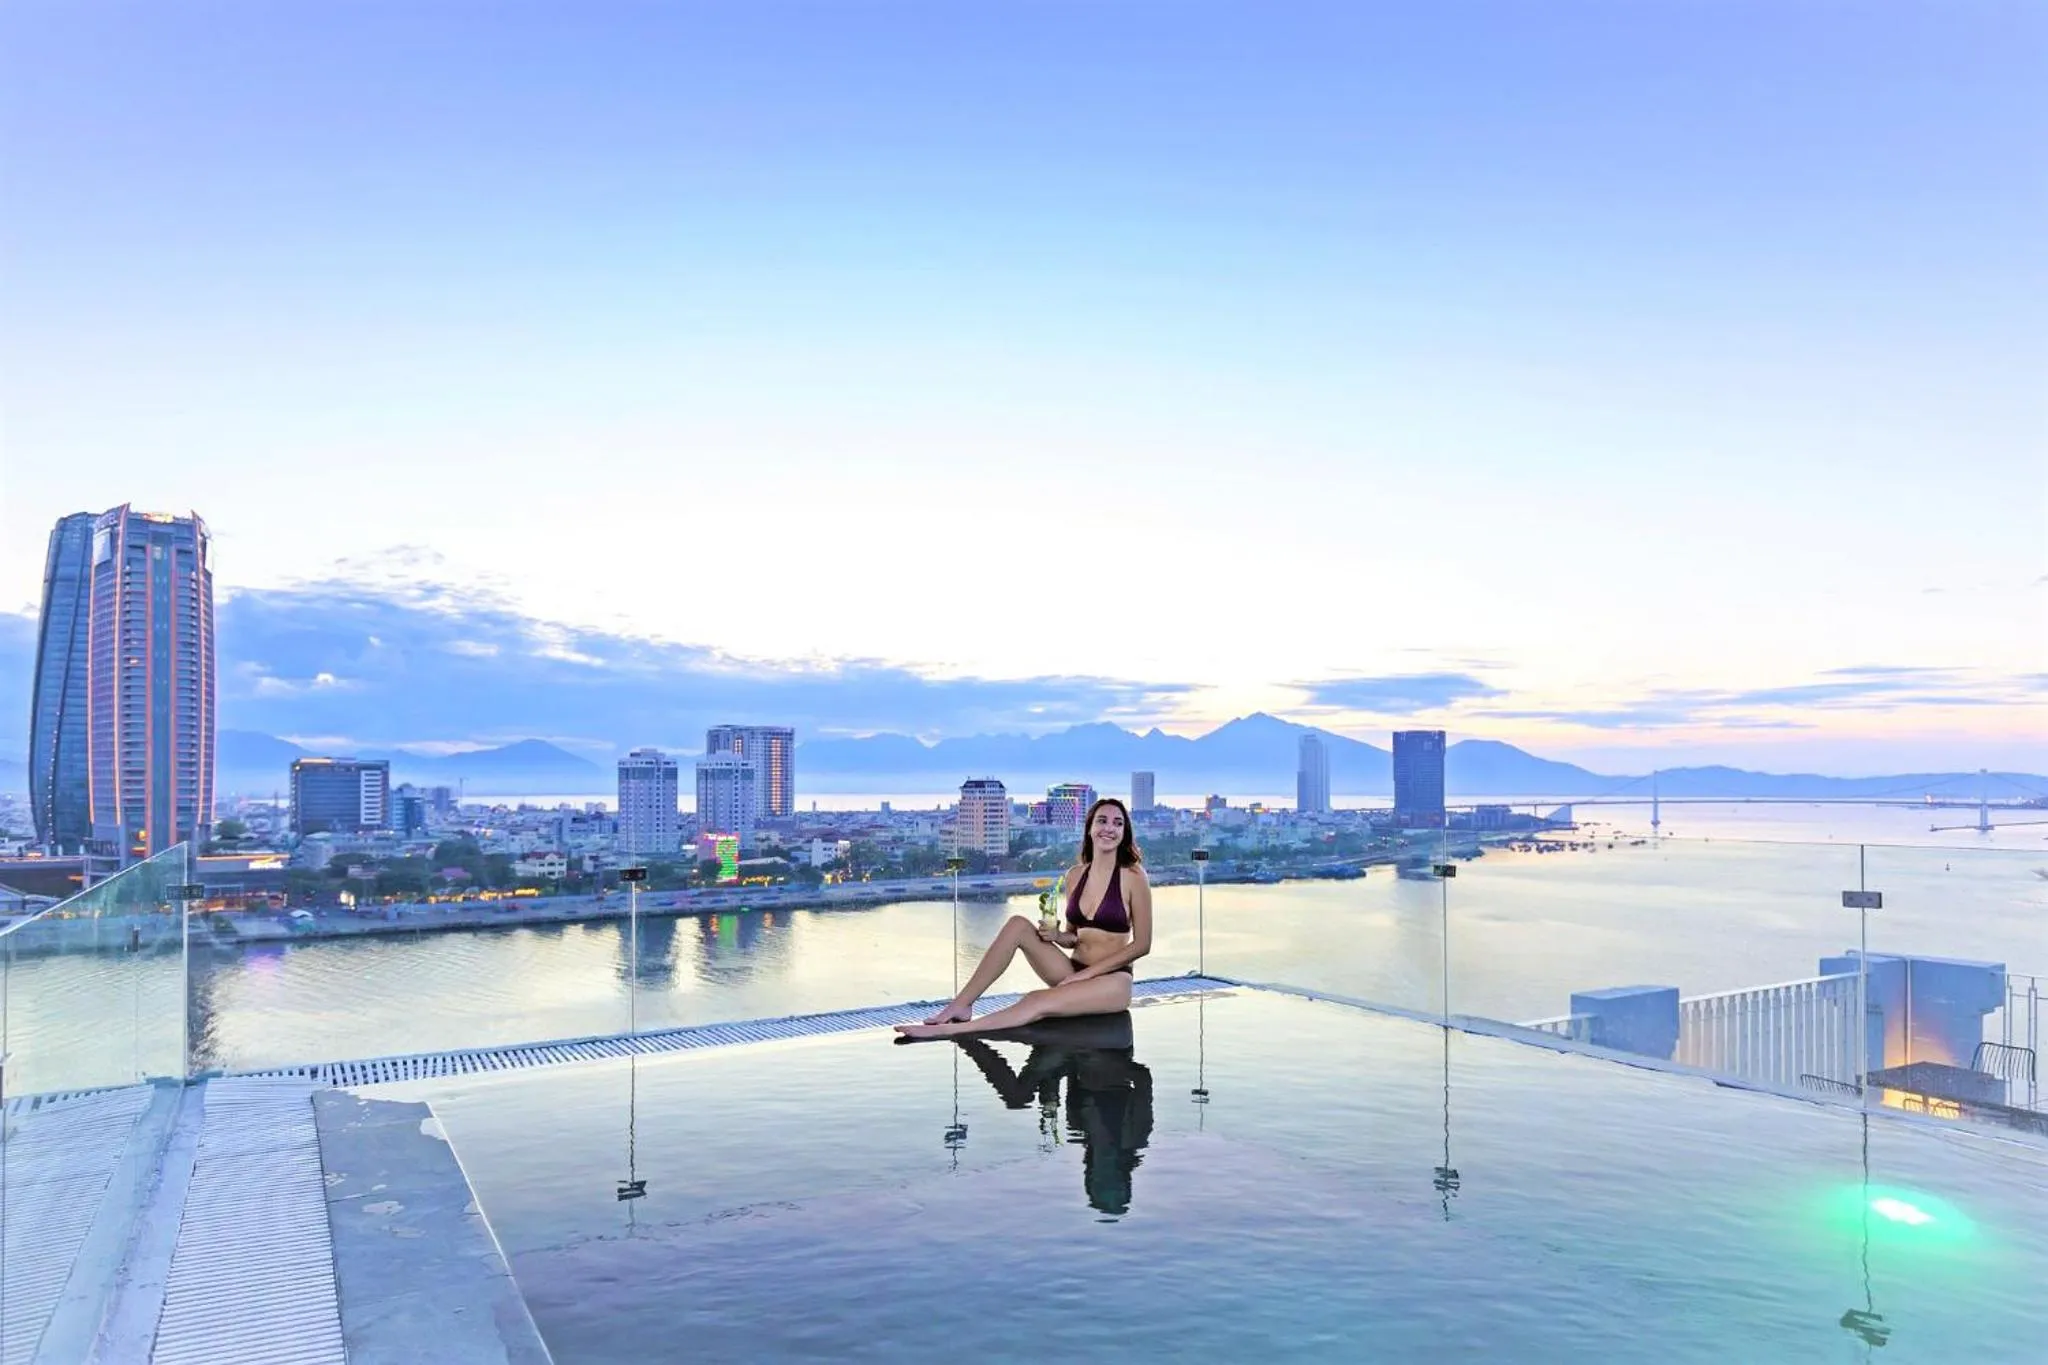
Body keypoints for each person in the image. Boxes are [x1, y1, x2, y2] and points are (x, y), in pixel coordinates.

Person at [893, 797, 1151, 1040]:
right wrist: (1057, 936)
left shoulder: (1133, 876)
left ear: (1124, 833)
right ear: (1090, 828)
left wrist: (1085, 976)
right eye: (1102, 821)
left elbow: (1142, 945)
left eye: (1118, 823)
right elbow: (1075, 937)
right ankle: (962, 1004)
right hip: (1072, 971)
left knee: (1035, 1001)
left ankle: (948, 1032)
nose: (1109, 828)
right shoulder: (1075, 875)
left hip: (1113, 981)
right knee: (1017, 924)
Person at [956, 1031, 1154, 1218]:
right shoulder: (1134, 1136)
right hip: (1105, 1044)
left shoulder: (1078, 1127)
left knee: (1016, 1097)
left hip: (1073, 1053)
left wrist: (1050, 1098)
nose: (1100, 1178)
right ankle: (969, 1034)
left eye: (1097, 1184)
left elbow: (1065, 1076)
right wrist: (1102, 1061)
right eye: (1108, 1184)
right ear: (1123, 1180)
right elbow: (1143, 1077)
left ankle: (967, 1039)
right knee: (1026, 1084)